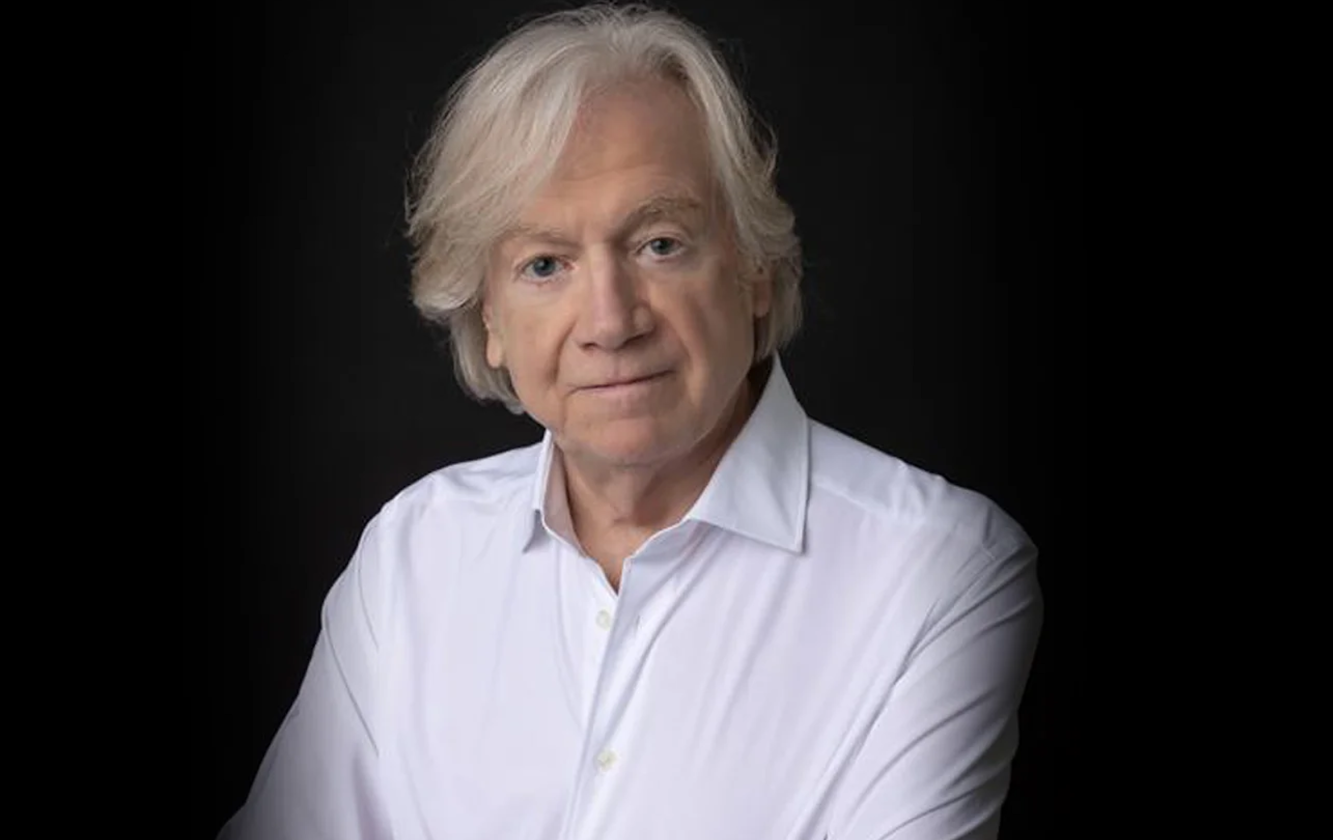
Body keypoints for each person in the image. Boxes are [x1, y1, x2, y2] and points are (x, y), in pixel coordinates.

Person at [219, 4, 1042, 839]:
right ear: (491, 319)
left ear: (755, 267)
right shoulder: (414, 553)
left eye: (659, 243)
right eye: (545, 265)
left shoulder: (937, 572)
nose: (610, 321)